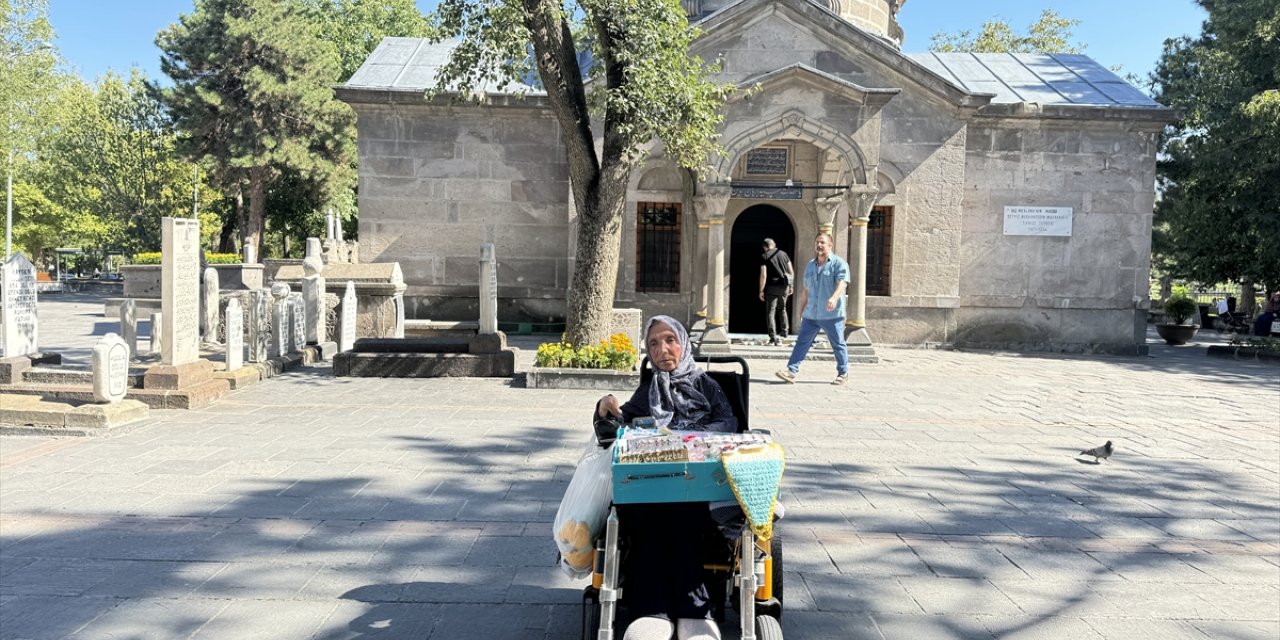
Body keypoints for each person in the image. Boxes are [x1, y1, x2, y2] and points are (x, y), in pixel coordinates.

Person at [593, 315, 736, 640]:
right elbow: (622, 419)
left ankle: (693, 609)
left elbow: (727, 423)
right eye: (654, 343)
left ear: (683, 343)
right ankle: (650, 608)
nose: (662, 349)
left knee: (683, 513)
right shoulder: (650, 390)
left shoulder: (706, 386)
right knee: (645, 513)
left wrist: (685, 438)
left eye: (670, 339)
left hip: (698, 486)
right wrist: (606, 404)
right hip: (654, 485)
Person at [776, 232, 850, 386]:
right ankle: (791, 371)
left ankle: (843, 373)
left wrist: (834, 298)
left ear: (830, 245)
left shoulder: (838, 263)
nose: (819, 245)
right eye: (817, 242)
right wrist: (801, 309)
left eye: (822, 242)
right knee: (802, 342)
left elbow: (842, 283)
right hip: (811, 314)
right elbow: (806, 290)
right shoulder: (810, 265)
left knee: (838, 343)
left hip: (831, 314)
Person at [758, 238, 794, 346]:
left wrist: (761, 290)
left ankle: (773, 337)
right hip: (784, 286)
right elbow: (791, 271)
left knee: (770, 312)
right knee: (782, 309)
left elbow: (764, 275)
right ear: (774, 244)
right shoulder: (784, 254)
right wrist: (791, 285)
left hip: (771, 287)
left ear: (764, 247)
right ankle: (784, 332)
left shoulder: (764, 256)